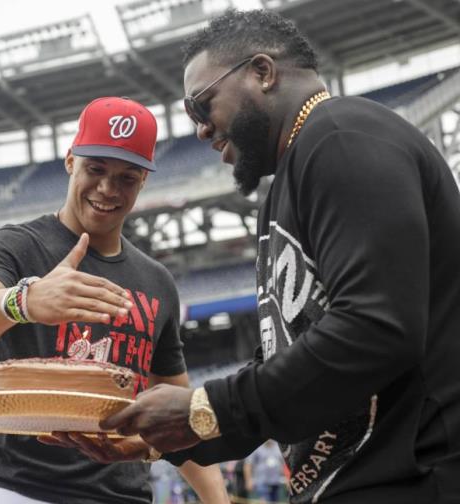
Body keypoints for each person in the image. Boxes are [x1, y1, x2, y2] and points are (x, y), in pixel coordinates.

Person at [98, 8, 460, 504]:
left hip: (420, 477)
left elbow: (377, 327)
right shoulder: (285, 187)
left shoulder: (341, 137)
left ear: (262, 72)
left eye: (204, 105)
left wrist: (206, 407)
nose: (202, 131)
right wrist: (169, 437)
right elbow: (286, 368)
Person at [0, 96, 228, 504]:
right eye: (96, 169)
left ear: (144, 179)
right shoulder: (16, 246)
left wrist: (218, 500)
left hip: (124, 493)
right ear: (71, 159)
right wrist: (25, 301)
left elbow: (175, 410)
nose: (108, 189)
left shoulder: (156, 281)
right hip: (18, 488)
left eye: (127, 177)